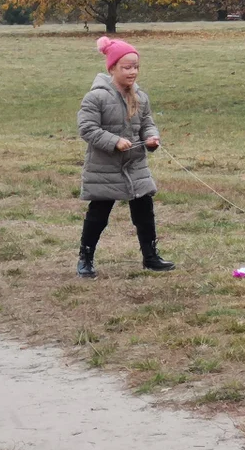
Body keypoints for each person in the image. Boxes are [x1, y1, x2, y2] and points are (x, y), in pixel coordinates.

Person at [75, 36, 175, 278]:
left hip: (135, 165)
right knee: (98, 214)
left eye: (136, 67)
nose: (132, 72)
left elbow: (147, 123)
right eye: (126, 67)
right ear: (112, 68)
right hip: (105, 167)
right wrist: (114, 141)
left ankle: (150, 257)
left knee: (144, 211)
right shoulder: (96, 97)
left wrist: (152, 138)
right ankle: (85, 259)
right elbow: (87, 128)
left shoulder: (140, 96)